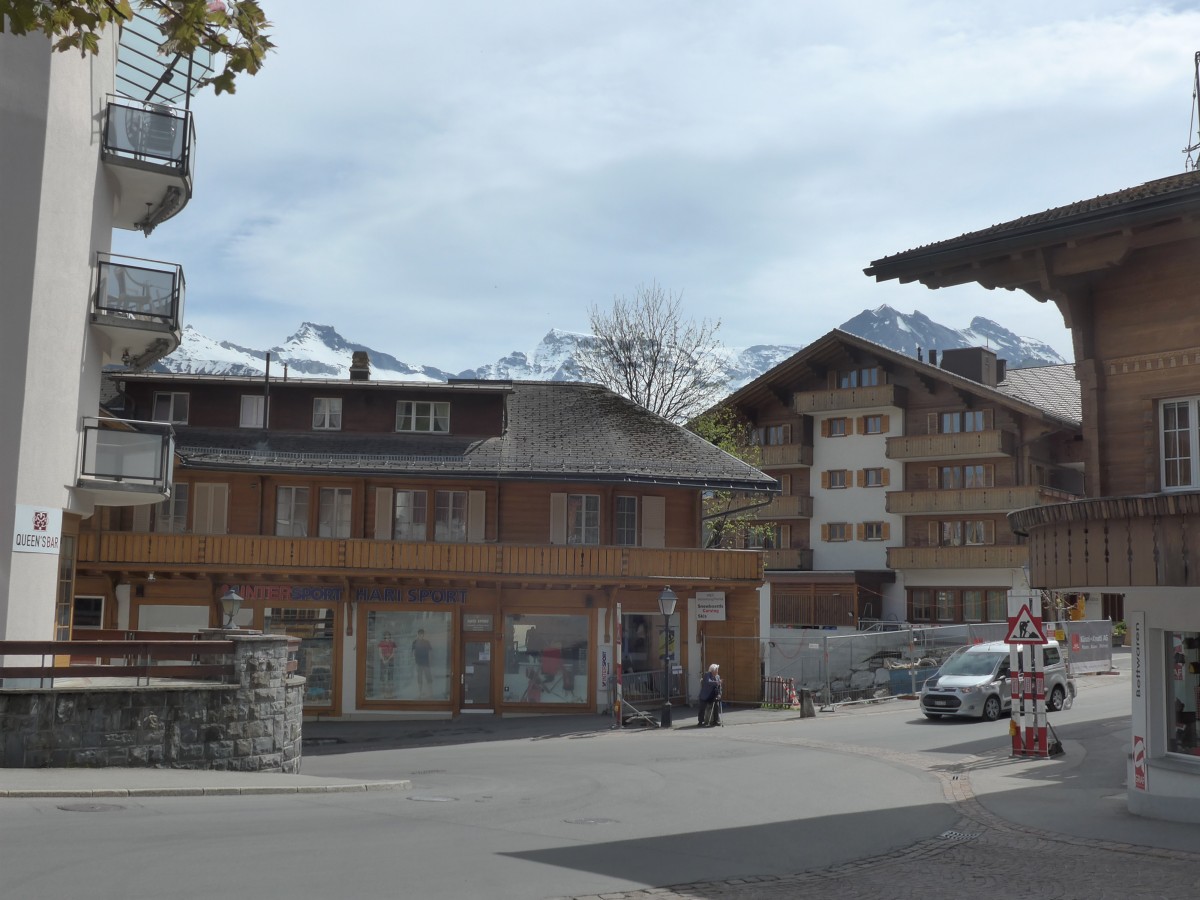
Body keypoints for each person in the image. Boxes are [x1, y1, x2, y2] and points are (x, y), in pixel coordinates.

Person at [412, 628, 433, 698]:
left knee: (428, 677)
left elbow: (430, 653)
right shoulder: (414, 642)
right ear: (417, 634)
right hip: (418, 663)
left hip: (426, 662)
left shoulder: (427, 642)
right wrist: (414, 663)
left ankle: (430, 693)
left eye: (422, 634)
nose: (421, 635)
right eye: (419, 634)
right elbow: (413, 653)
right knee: (419, 677)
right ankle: (420, 693)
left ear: (423, 635)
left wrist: (430, 662)